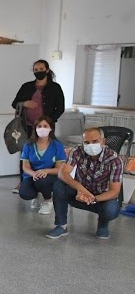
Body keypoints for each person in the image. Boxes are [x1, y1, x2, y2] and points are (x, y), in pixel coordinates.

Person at [46, 127, 123, 240]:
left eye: (95, 141)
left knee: (110, 210)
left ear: (103, 141)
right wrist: (81, 189)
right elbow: (62, 173)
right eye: (86, 142)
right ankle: (61, 225)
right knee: (59, 185)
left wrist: (93, 199)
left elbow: (114, 191)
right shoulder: (77, 151)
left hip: (100, 199)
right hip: (79, 195)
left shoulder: (114, 160)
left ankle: (103, 225)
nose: (90, 145)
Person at [11, 60, 66, 193]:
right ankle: (24, 181)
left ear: (47, 70)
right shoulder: (26, 86)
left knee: (48, 151)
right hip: (27, 126)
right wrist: (24, 103)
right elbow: (14, 103)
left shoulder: (55, 87)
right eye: (36, 69)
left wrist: (49, 122)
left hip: (46, 127)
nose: (38, 71)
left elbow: (60, 107)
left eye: (41, 69)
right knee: (26, 153)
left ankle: (48, 180)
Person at [18, 116, 66, 215]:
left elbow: (59, 168)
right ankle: (37, 195)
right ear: (35, 129)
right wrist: (33, 173)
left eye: (45, 126)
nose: (42, 128)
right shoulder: (28, 145)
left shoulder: (57, 145)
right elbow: (25, 166)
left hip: (50, 176)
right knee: (25, 193)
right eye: (39, 126)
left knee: (42, 181)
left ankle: (48, 200)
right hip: (32, 176)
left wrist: (46, 171)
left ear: (51, 128)